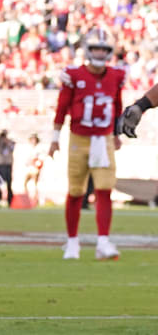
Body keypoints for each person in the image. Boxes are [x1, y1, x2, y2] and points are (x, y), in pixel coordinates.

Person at [49, 27, 123, 260]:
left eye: (104, 49)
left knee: (104, 190)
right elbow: (62, 107)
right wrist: (54, 138)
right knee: (75, 191)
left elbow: (117, 107)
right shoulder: (73, 74)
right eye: (96, 48)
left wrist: (118, 132)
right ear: (87, 50)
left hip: (104, 138)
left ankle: (103, 242)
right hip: (78, 138)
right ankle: (72, 242)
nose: (100, 53)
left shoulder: (116, 76)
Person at [0, 130, 15, 208]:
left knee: (9, 184)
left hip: (7, 165)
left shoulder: (11, 143)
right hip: (0, 165)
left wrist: (8, 142)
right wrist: (1, 141)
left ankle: (10, 201)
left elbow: (12, 148)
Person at [24, 133, 44, 205]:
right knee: (25, 183)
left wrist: (35, 163)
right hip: (29, 168)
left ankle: (36, 199)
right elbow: (27, 160)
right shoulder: (29, 148)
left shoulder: (39, 149)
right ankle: (26, 199)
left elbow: (40, 159)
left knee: (35, 184)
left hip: (35, 168)